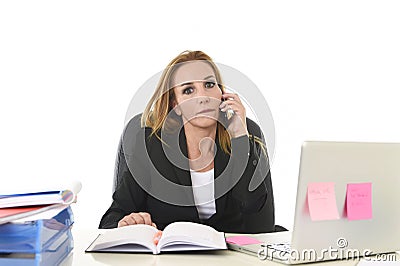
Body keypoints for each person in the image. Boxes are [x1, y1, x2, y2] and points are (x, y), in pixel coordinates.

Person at [99, 50, 276, 235]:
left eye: (209, 84)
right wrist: (126, 224)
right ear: (176, 105)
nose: (203, 97)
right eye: (188, 90)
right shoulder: (151, 144)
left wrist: (240, 139)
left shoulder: (246, 136)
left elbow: (262, 226)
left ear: (222, 93)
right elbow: (111, 219)